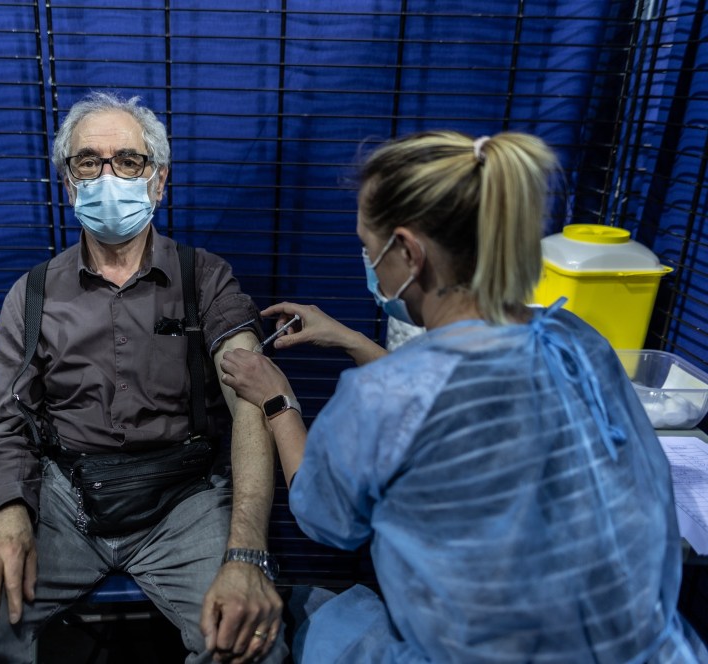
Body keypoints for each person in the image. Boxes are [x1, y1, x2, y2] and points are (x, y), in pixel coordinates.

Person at [220, 130, 708, 662]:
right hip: (647, 645)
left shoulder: (384, 396)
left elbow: (324, 515)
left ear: (407, 252)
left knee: (319, 619)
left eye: (367, 247)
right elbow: (455, 399)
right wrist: (352, 340)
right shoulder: (574, 337)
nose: (368, 263)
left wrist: (277, 399)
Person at [0, 91, 287, 664]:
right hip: (65, 498)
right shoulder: (32, 294)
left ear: (158, 181)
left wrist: (246, 554)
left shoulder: (206, 279)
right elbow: (7, 424)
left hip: (185, 499)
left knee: (249, 646)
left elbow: (251, 401)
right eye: (88, 162)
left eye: (128, 161)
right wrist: (8, 521)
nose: (107, 176)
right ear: (69, 184)